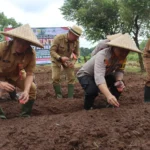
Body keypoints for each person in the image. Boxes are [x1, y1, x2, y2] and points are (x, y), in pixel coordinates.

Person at [77, 33, 142, 110]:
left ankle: (111, 104)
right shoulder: (103, 55)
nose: (124, 53)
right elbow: (99, 77)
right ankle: (87, 108)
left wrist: (119, 80)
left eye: (127, 51)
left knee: (118, 84)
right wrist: (108, 95)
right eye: (122, 50)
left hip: (104, 73)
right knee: (92, 91)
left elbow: (120, 70)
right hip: (86, 74)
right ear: (114, 47)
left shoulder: (122, 58)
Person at [0, 24, 43, 119]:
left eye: (25, 44)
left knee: (32, 88)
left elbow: (30, 73)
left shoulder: (31, 54)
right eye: (19, 41)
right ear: (14, 39)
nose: (21, 46)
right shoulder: (2, 48)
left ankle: (25, 115)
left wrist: (26, 91)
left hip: (16, 75)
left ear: (29, 45)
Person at [50, 25, 82, 99]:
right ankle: (59, 96)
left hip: (68, 60)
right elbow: (52, 51)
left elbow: (77, 54)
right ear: (70, 33)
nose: (77, 38)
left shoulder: (76, 41)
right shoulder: (58, 38)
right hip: (57, 59)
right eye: (76, 36)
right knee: (55, 78)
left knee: (71, 77)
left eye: (78, 37)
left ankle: (70, 97)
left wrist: (73, 62)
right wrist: (60, 58)